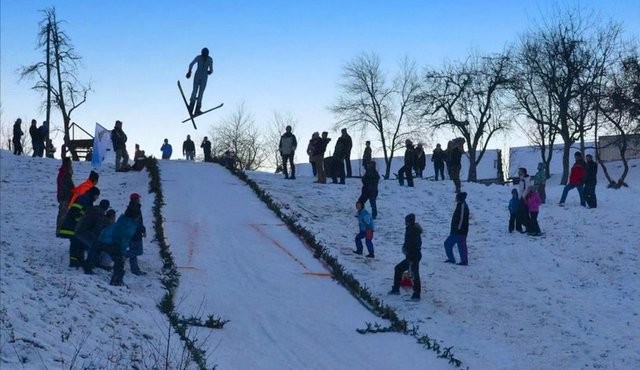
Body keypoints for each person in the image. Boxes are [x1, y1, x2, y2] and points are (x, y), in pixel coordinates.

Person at [98, 205, 140, 286]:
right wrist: (122, 253)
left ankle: (116, 279)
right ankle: (116, 281)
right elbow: (123, 240)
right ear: (135, 216)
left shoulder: (123, 220)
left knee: (118, 261)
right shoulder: (129, 225)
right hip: (111, 243)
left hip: (105, 241)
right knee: (119, 262)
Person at [59, 187, 100, 268]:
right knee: (75, 243)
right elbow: (75, 212)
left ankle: (79, 260)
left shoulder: (87, 200)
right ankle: (74, 262)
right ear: (94, 195)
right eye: (97, 196)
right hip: (72, 226)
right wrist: (82, 221)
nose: (97, 198)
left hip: (77, 226)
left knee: (79, 243)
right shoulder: (84, 200)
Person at [389, 213, 422, 300]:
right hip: (413, 255)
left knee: (413, 274)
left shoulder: (412, 231)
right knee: (403, 270)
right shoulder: (413, 229)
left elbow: (412, 245)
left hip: (412, 256)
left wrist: (410, 257)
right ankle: (397, 289)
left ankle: (416, 294)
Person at [76, 199, 111, 274]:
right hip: (84, 232)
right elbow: (97, 229)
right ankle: (88, 267)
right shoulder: (100, 214)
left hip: (79, 230)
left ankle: (94, 263)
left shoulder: (93, 209)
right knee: (95, 247)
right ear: (106, 207)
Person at [443, 191, 469, 266]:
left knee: (459, 246)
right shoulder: (460, 205)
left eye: (456, 197)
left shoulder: (463, 206)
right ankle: (455, 260)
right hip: (457, 231)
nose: (455, 199)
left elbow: (461, 219)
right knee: (450, 244)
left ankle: (462, 261)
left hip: (459, 231)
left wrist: (458, 229)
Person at [186, 47, 214, 115]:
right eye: (203, 54)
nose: (204, 56)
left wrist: (209, 72)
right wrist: (189, 71)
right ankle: (191, 106)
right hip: (198, 76)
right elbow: (191, 64)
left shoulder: (210, 59)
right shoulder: (199, 57)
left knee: (200, 93)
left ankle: (197, 109)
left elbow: (211, 69)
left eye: (205, 54)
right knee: (195, 91)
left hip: (204, 77)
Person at [125, 193, 147, 276]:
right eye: (138, 198)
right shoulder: (135, 209)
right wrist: (143, 230)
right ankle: (123, 254)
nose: (139, 200)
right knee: (138, 251)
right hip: (135, 234)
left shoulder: (131, 208)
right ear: (136, 199)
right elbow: (138, 223)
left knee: (133, 252)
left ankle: (135, 270)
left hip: (130, 233)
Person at [56, 157, 75, 236]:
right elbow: (69, 186)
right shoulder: (65, 174)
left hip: (62, 195)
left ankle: (60, 229)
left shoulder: (62, 173)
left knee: (62, 213)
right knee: (63, 213)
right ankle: (60, 230)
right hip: (65, 196)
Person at [515, 167, 531, 233]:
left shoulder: (526, 180)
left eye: (520, 171)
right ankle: (520, 228)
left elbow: (527, 188)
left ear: (523, 173)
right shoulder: (521, 180)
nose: (518, 173)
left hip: (524, 199)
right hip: (521, 199)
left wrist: (522, 197)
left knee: (524, 214)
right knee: (521, 214)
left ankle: (528, 227)